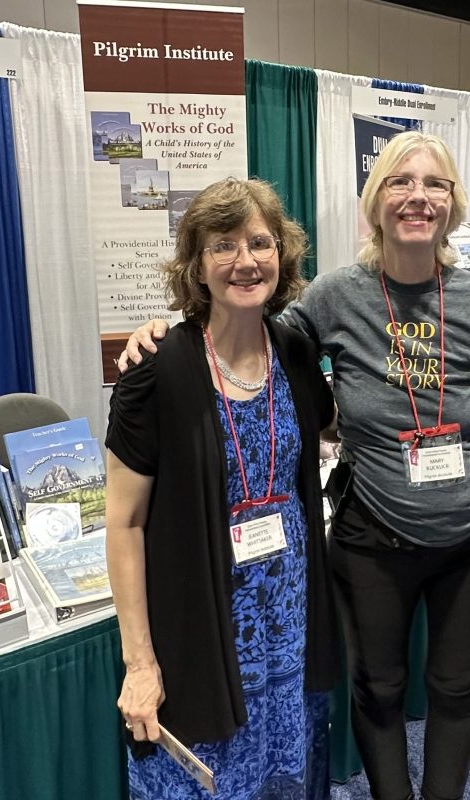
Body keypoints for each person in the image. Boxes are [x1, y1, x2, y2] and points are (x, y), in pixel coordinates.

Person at [121, 131, 470, 800]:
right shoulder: (336, 298)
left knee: (457, 688)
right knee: (380, 689)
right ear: (375, 202)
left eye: (435, 184)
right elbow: (246, 327)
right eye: (401, 181)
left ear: (452, 203)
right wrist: (162, 330)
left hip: (464, 541)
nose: (418, 196)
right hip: (375, 537)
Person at [106, 177, 339, 800]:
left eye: (259, 243)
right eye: (223, 245)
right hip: (201, 628)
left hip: (289, 620)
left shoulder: (294, 351)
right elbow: (124, 526)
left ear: (281, 255)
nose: (245, 261)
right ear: (196, 265)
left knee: (286, 775)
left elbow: (325, 429)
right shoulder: (155, 371)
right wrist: (139, 664)